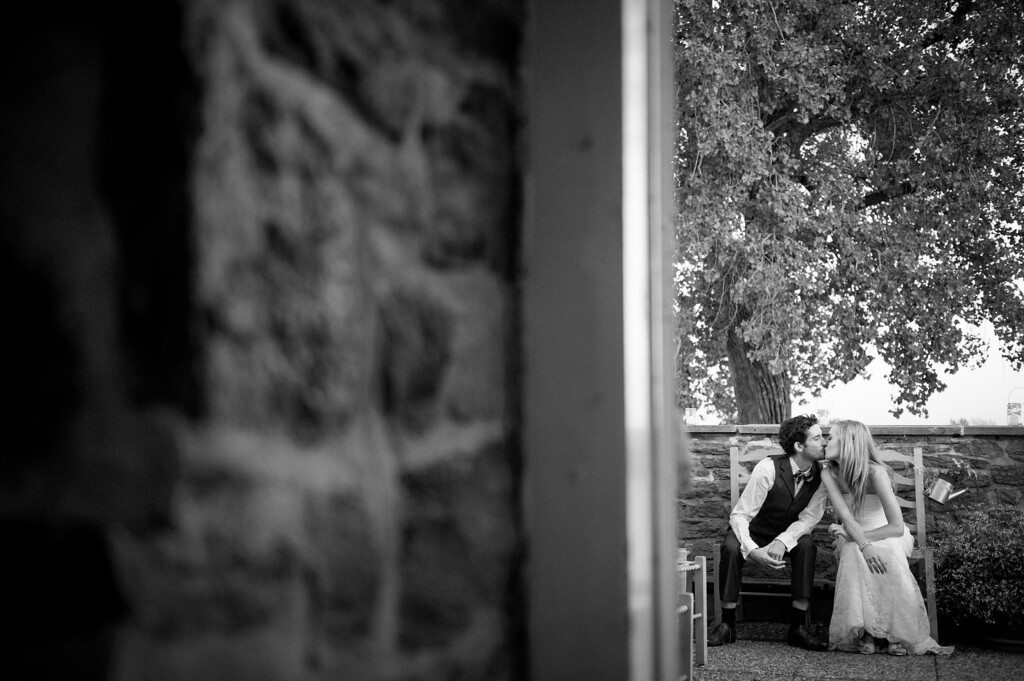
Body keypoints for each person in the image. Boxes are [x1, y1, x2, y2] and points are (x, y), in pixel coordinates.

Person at [820, 420, 953, 655]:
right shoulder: (828, 472)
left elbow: (896, 527)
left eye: (830, 437)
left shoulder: (875, 472)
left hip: (887, 532)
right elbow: (846, 517)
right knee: (852, 551)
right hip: (853, 534)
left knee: (889, 550)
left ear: (849, 442)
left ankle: (894, 632)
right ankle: (869, 632)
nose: (824, 441)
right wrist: (860, 543)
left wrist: (862, 541)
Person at [708, 414, 829, 650]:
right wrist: (752, 550)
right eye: (817, 437)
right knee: (732, 547)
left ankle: (797, 627)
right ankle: (728, 625)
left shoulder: (822, 476)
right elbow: (740, 515)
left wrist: (783, 541)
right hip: (753, 530)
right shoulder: (767, 468)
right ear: (799, 446)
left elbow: (810, 518)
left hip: (788, 534)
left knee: (807, 545)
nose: (823, 441)